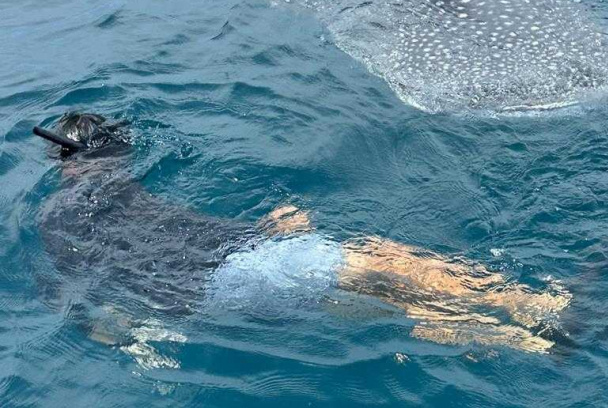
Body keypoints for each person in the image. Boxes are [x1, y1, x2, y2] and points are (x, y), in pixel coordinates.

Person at [34, 112, 570, 357]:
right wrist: (268, 232)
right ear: (109, 154)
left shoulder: (54, 216)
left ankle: (526, 345)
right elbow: (178, 238)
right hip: (236, 268)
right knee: (381, 260)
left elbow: (92, 293)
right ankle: (536, 305)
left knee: (384, 308)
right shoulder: (112, 192)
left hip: (208, 307)